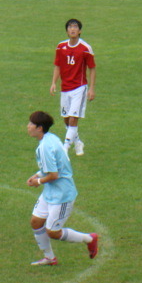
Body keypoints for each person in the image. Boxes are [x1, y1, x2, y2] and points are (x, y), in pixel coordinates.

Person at [26, 111, 98, 266]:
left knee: (53, 232)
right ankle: (50, 258)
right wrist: (37, 174)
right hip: (50, 192)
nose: (28, 126)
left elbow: (54, 175)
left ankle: (89, 239)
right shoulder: (51, 138)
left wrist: (38, 181)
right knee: (36, 222)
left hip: (62, 195)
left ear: (39, 128)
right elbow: (54, 165)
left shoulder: (45, 147)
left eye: (31, 124)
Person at [50, 18, 96, 156]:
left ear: (80, 31)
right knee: (66, 118)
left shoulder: (85, 48)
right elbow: (57, 66)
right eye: (70, 27)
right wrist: (53, 82)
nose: (72, 29)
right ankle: (77, 142)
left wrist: (91, 88)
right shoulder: (61, 47)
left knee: (73, 118)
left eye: (75, 27)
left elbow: (92, 68)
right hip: (65, 88)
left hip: (79, 88)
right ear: (67, 31)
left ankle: (65, 147)